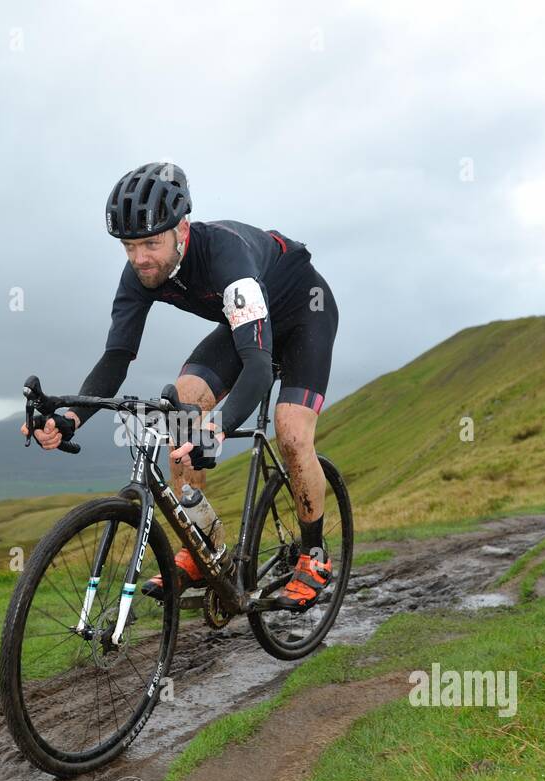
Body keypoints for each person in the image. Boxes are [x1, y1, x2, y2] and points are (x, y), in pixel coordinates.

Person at [22, 162, 339, 610]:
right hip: (243, 326)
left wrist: (218, 429)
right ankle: (205, 546)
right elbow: (116, 358)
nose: (140, 258)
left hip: (303, 314)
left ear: (182, 230)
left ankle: (315, 554)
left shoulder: (228, 260)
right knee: (183, 401)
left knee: (290, 431)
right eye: (129, 246)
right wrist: (69, 417)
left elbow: (259, 367)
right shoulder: (139, 277)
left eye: (151, 242)